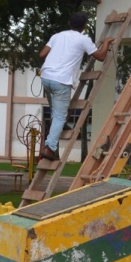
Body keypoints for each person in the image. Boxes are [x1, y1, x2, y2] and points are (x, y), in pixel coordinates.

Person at [37, 12, 113, 161]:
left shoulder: (57, 36)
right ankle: (50, 148)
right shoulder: (83, 39)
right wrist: (107, 42)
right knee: (59, 116)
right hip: (62, 80)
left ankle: (60, 126)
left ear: (69, 23)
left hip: (46, 77)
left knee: (56, 111)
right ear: (84, 26)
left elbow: (42, 54)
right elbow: (101, 56)